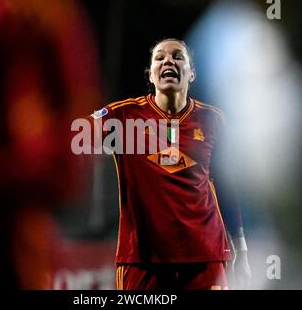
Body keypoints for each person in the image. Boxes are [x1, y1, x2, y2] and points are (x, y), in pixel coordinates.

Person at [83, 38, 251, 290]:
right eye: (159, 58)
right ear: (150, 74)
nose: (168, 61)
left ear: (192, 73)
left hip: (205, 259)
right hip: (143, 262)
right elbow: (73, 136)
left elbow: (228, 187)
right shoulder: (124, 116)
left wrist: (242, 248)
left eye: (177, 56)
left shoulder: (212, 119)